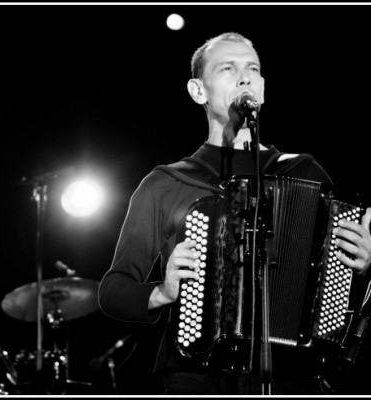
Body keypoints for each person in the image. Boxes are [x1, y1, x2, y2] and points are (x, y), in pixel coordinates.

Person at [98, 32, 371, 395]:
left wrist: (364, 263)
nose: (244, 77)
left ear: (263, 88)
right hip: (198, 375)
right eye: (227, 68)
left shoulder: (304, 173)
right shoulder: (167, 182)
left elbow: (344, 290)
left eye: (252, 69)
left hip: (294, 374)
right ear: (198, 91)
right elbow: (114, 290)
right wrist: (163, 292)